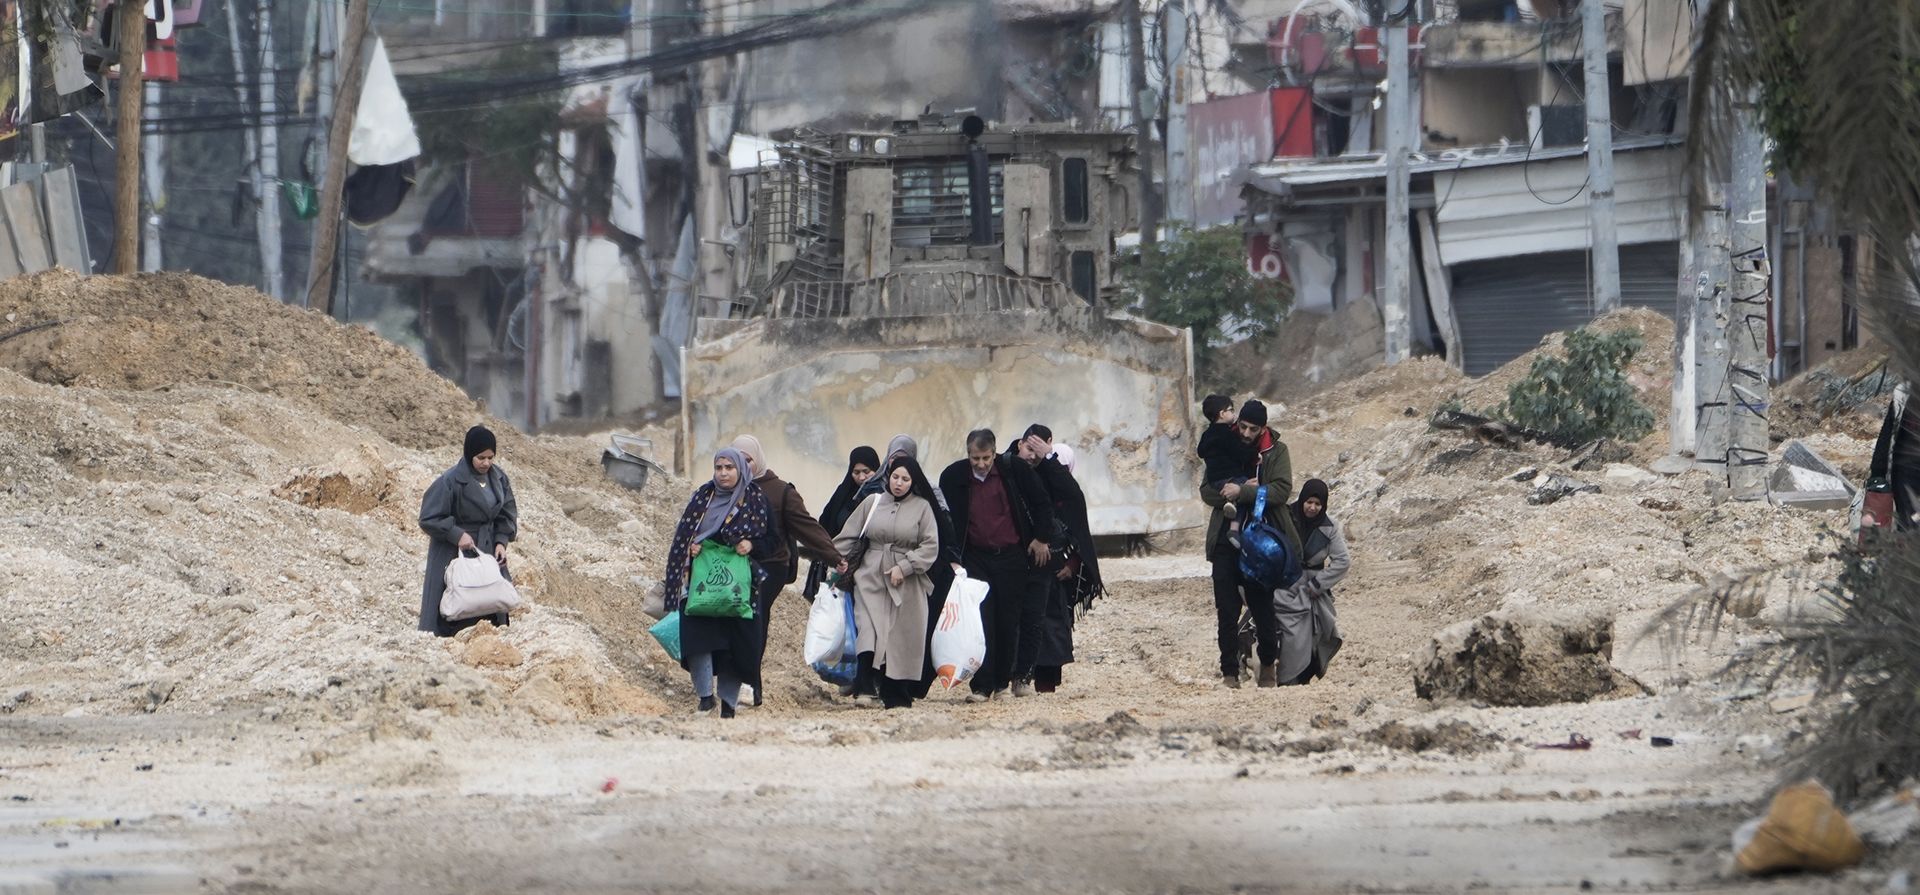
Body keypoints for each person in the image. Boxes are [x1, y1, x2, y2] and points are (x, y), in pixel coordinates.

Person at [939, 428, 1056, 702]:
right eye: (975, 458)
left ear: (995, 453)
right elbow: (945, 517)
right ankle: (981, 686)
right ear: (968, 454)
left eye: (986, 458)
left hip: (1011, 556)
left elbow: (1042, 503)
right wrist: (953, 555)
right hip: (976, 557)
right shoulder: (954, 477)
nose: (981, 464)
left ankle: (1003, 683)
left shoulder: (1013, 470)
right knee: (981, 622)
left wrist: (1041, 538)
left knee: (1008, 620)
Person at [730, 435, 846, 707]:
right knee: (735, 621)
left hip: (771, 566)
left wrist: (833, 556)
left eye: (748, 460)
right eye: (738, 460)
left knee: (752, 618)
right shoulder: (726, 489)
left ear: (757, 460)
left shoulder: (780, 491)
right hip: (735, 566)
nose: (743, 466)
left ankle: (749, 686)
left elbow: (807, 527)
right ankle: (737, 682)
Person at [662, 447, 774, 719]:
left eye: (729, 468)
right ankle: (704, 698)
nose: (723, 473)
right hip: (701, 582)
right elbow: (684, 533)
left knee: (733, 646)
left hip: (739, 587)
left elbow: (772, 542)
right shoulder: (703, 496)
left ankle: (728, 705)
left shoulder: (755, 498)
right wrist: (692, 547)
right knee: (698, 639)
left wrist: (751, 544)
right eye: (719, 468)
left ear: (740, 470)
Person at [1199, 400, 1303, 689]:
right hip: (1225, 539)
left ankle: (1268, 663)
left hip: (1261, 543)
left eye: (1252, 429)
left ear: (1263, 429)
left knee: (1262, 607)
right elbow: (1208, 490)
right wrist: (1235, 492)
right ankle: (1229, 673)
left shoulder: (1276, 452)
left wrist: (1243, 492)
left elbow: (1281, 490)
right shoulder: (1224, 442)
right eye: (1242, 426)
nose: (1245, 433)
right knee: (1226, 610)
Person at [833, 458, 943, 709]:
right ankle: (864, 686)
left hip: (907, 585)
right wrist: (831, 560)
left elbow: (930, 546)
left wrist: (905, 567)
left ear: (913, 482)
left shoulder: (923, 508)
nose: (899, 484)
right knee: (868, 629)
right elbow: (849, 535)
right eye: (895, 477)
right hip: (870, 576)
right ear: (887, 477)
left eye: (905, 479)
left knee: (900, 638)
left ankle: (895, 693)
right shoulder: (872, 503)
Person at [1017, 435, 1104, 694]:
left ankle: (1046, 684)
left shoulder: (1067, 492)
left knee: (1053, 628)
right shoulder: (1020, 478)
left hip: (1058, 570)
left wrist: (1074, 562)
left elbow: (1078, 530)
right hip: (1024, 565)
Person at [418, 426, 518, 638]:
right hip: (453, 550)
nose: (486, 463)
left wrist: (501, 541)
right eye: (480, 457)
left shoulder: (499, 478)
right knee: (458, 597)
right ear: (469, 453)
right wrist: (456, 534)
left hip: (488, 546)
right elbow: (429, 517)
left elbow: (506, 513)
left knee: (489, 596)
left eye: (491, 457)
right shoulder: (450, 480)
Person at [1272, 478, 1348, 685]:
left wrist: (1317, 585)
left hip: (1314, 590)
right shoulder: (1285, 516)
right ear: (1302, 499)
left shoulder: (1329, 526)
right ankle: (1284, 677)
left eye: (1317, 504)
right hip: (1285, 586)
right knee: (1287, 634)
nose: (1313, 507)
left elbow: (1342, 561)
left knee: (1318, 633)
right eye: (1309, 502)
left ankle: (1302, 676)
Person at [803, 446, 881, 599]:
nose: (861, 477)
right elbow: (825, 522)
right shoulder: (843, 492)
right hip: (838, 563)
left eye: (866, 471)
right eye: (856, 472)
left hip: (866, 568)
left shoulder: (881, 497)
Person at [1197, 394, 1256, 501]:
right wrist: (1255, 454)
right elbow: (1240, 452)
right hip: (1231, 477)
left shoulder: (1206, 434)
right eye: (1231, 410)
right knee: (1248, 490)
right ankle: (1236, 511)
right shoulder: (1227, 434)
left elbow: (1200, 452)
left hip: (1214, 481)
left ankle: (1231, 506)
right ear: (1222, 414)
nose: (1234, 414)